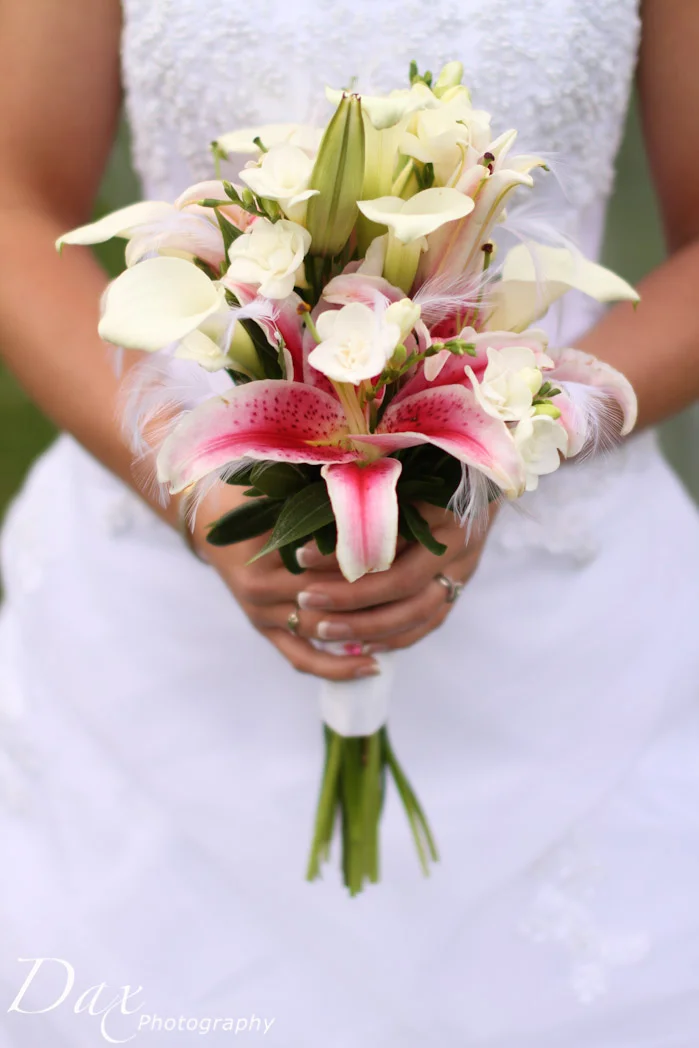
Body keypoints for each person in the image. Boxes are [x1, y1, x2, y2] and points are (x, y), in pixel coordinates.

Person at [0, 0, 698, 1044]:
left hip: (561, 639)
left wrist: (513, 442)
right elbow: (15, 202)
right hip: (162, 638)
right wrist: (189, 483)